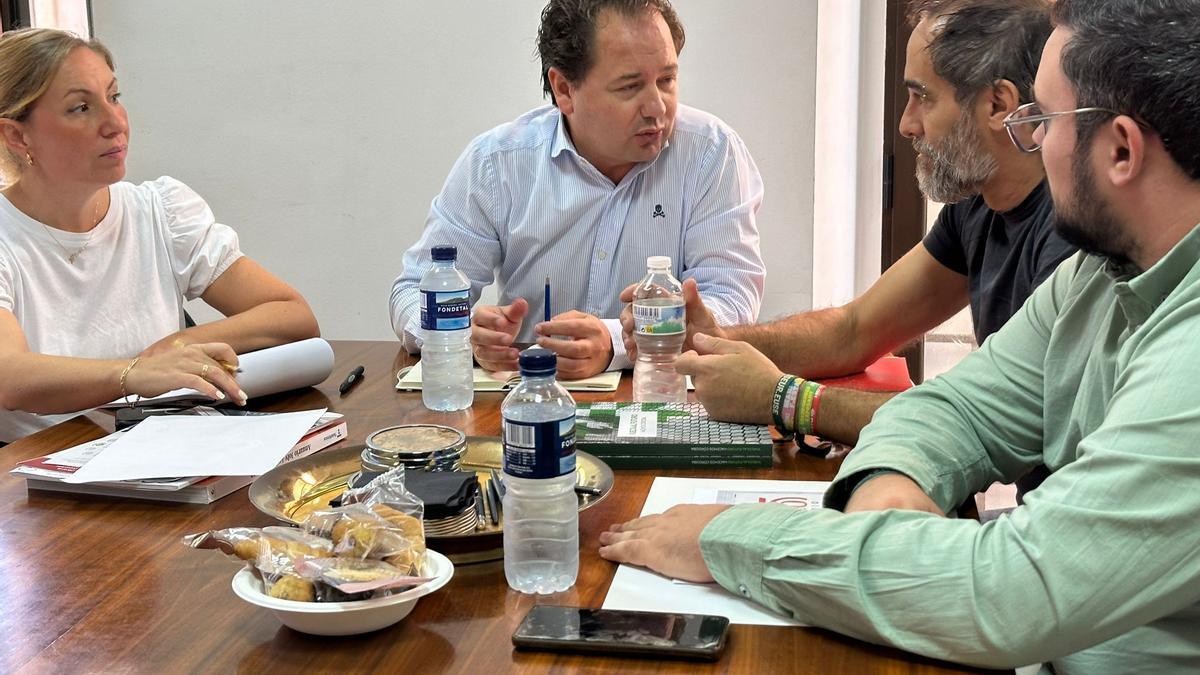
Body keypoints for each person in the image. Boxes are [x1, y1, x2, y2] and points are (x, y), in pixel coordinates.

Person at [600, 0, 1200, 669]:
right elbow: (958, 409)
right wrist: (888, 486)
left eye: (1045, 120)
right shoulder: (1103, 268)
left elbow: (1009, 594)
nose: (1034, 141)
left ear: (1120, 149)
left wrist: (727, 538)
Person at [623, 0, 1074, 448]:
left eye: (922, 98)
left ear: (998, 104)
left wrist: (784, 399)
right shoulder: (979, 204)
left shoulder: (1072, 234)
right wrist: (712, 340)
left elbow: (984, 418)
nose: (905, 124)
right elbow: (854, 330)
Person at [389, 0, 764, 380]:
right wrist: (460, 333)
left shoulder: (710, 153)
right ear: (564, 89)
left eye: (666, 80)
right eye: (630, 86)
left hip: (659, 396)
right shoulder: (498, 162)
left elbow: (731, 301)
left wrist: (615, 341)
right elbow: (411, 293)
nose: (657, 107)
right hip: (530, 398)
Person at [0, 29, 320, 444]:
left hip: (158, 446)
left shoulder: (161, 211)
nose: (115, 123)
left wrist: (176, 345)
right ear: (17, 136)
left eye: (114, 97)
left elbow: (292, 315)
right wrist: (135, 373)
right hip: (37, 478)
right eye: (81, 108)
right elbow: (9, 375)